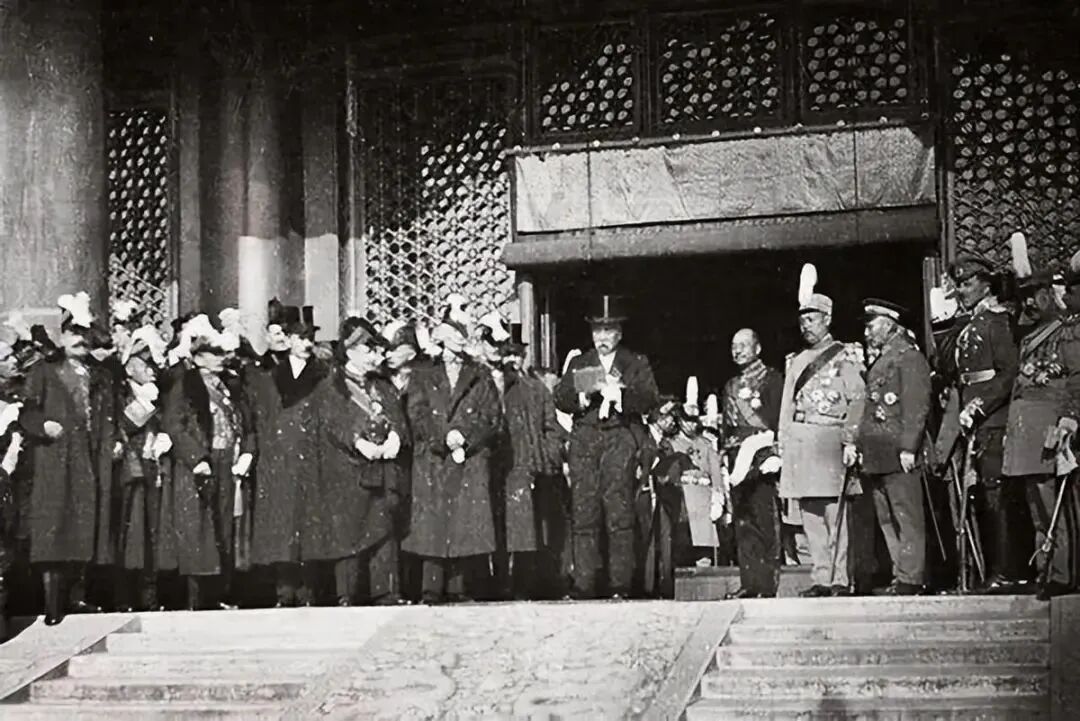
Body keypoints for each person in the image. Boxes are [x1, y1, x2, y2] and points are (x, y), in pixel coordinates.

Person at [554, 295, 659, 599]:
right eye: (597, 330)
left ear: (619, 333)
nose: (602, 337)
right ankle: (584, 583)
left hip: (619, 437)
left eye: (608, 330)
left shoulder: (635, 363)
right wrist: (583, 396)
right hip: (585, 439)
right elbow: (560, 397)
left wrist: (621, 396)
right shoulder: (580, 363)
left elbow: (649, 398)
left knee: (619, 511)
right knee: (584, 511)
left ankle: (620, 585)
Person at [23, 294, 119, 624]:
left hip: (90, 457)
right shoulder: (45, 371)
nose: (80, 339)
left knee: (84, 526)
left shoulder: (100, 374)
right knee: (54, 528)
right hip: (56, 458)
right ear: (62, 335)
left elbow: (109, 414)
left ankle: (78, 597)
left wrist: (113, 441)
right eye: (73, 332)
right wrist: (43, 426)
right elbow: (28, 411)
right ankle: (53, 604)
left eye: (84, 333)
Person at [307, 318, 410, 605]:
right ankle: (347, 593)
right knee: (350, 531)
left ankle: (386, 592)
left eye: (376, 351)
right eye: (369, 350)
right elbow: (332, 423)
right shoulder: (332, 386)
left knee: (384, 529)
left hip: (383, 467)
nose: (375, 357)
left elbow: (398, 417)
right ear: (351, 351)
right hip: (349, 469)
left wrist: (396, 437)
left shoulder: (382, 385)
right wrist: (358, 442)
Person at [778, 266, 866, 597]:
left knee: (835, 514)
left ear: (827, 319)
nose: (806, 326)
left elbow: (858, 399)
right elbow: (787, 405)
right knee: (810, 515)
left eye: (812, 320)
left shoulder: (844, 355)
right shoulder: (796, 361)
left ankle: (840, 578)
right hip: (802, 443)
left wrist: (850, 439)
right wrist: (783, 443)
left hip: (831, 441)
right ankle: (821, 578)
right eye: (803, 321)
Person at [403, 316, 501, 604]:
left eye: (462, 335)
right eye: (453, 334)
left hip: (468, 457)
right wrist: (442, 437)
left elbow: (492, 417)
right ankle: (431, 588)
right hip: (433, 458)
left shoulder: (480, 375)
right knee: (433, 525)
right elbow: (417, 413)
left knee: (463, 524)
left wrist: (465, 437)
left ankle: (459, 587)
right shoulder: (422, 374)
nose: (459, 340)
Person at [1002, 237, 1080, 599]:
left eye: (1035, 295)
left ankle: (1062, 573)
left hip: (1052, 430)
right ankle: (1046, 570)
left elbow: (1076, 379)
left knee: (1056, 506)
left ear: (1051, 294)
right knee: (1038, 510)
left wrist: (1069, 417)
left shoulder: (1067, 332)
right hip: (1027, 435)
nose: (1029, 303)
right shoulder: (1029, 337)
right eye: (1025, 297)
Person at [159, 321, 255, 611]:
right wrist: (196, 458)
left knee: (224, 527)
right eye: (214, 353)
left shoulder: (231, 386)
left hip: (228, 462)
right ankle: (196, 598)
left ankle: (221, 592)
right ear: (199, 357)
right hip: (199, 464)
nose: (220, 358)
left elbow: (247, 423)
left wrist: (247, 452)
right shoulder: (185, 386)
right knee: (198, 529)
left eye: (221, 353)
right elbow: (175, 425)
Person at [948, 253, 1024, 593]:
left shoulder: (998, 322)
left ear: (986, 285)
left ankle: (1007, 571)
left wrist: (979, 407)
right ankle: (991, 570)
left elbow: (1009, 373)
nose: (962, 290)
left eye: (967, 284)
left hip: (993, 421)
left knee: (997, 497)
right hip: (973, 422)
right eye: (960, 284)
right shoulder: (970, 323)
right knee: (982, 499)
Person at [249, 306, 328, 607]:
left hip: (310, 457)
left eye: (310, 339)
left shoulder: (323, 374)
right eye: (301, 338)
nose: (306, 344)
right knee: (282, 525)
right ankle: (284, 591)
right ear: (290, 340)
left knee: (308, 525)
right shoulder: (271, 376)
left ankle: (308, 591)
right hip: (280, 459)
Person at [857, 300, 932, 595]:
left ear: (889, 324)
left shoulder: (909, 357)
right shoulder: (884, 359)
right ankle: (900, 574)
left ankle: (911, 577)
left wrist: (909, 447)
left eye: (871, 325)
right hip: (878, 453)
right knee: (887, 518)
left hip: (898, 451)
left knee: (906, 515)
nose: (867, 332)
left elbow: (916, 406)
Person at [496, 327, 564, 599]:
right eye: (507, 354)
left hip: (530, 466)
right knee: (503, 528)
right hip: (503, 465)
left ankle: (525, 584)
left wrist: (547, 456)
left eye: (517, 355)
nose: (512, 360)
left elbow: (551, 427)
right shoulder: (496, 387)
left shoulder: (537, 389)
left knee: (529, 529)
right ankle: (500, 583)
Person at [722, 328, 784, 599]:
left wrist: (776, 453)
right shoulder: (731, 385)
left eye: (743, 345)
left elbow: (779, 420)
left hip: (762, 455)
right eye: (734, 346)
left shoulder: (772, 379)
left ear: (757, 348)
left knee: (764, 520)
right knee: (743, 522)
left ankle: (767, 585)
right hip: (736, 458)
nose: (737, 351)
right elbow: (727, 428)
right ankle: (749, 583)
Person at [114, 325, 171, 611]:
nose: (152, 371)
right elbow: (122, 425)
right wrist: (146, 406)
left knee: (151, 533)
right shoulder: (123, 393)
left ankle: (150, 596)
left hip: (152, 471)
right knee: (130, 535)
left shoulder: (157, 393)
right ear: (130, 368)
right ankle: (123, 597)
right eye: (145, 365)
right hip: (130, 472)